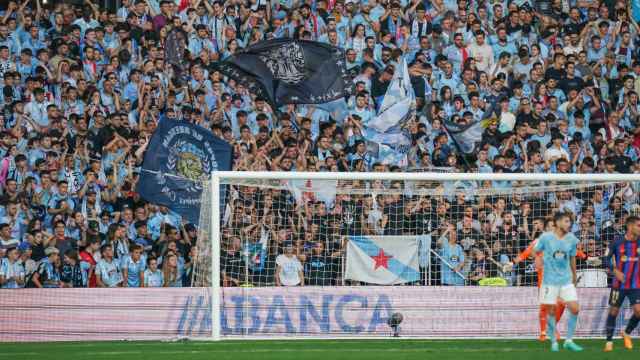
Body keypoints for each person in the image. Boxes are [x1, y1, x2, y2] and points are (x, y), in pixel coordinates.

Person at [533, 212, 583, 352]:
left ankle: (569, 340)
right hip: (549, 280)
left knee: (575, 308)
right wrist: (537, 259)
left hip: (566, 279)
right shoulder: (546, 237)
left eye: (570, 222)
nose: (569, 224)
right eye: (567, 221)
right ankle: (553, 340)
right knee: (551, 310)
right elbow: (535, 251)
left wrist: (574, 274)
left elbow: (572, 257)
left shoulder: (572, 239)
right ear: (558, 222)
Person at [604, 215, 640, 352]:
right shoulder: (617, 242)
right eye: (638, 225)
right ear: (630, 227)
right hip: (618, 285)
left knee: (639, 311)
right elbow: (605, 259)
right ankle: (608, 341)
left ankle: (627, 332)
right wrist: (615, 271)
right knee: (613, 311)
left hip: (635, 285)